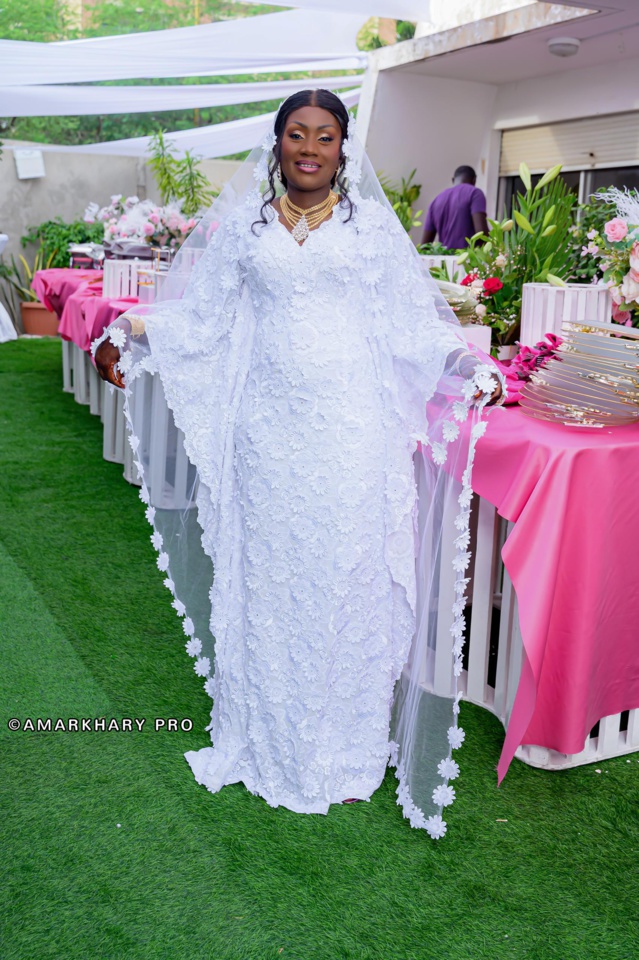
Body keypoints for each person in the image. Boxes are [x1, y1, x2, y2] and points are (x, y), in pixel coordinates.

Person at [94, 90, 502, 839]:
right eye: (295, 135)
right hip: (266, 435)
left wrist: (457, 362)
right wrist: (132, 331)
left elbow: (409, 324)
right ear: (277, 143)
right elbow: (206, 316)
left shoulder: (371, 226)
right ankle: (267, 739)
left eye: (324, 136)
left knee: (344, 582)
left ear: (344, 148)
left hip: (351, 433)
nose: (308, 148)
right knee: (272, 577)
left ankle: (344, 752)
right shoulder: (244, 229)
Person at [422, 165, 488, 249]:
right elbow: (481, 232)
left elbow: (425, 245)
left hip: (444, 259)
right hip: (467, 259)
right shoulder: (475, 193)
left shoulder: (436, 200)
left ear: (453, 180)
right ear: (474, 180)